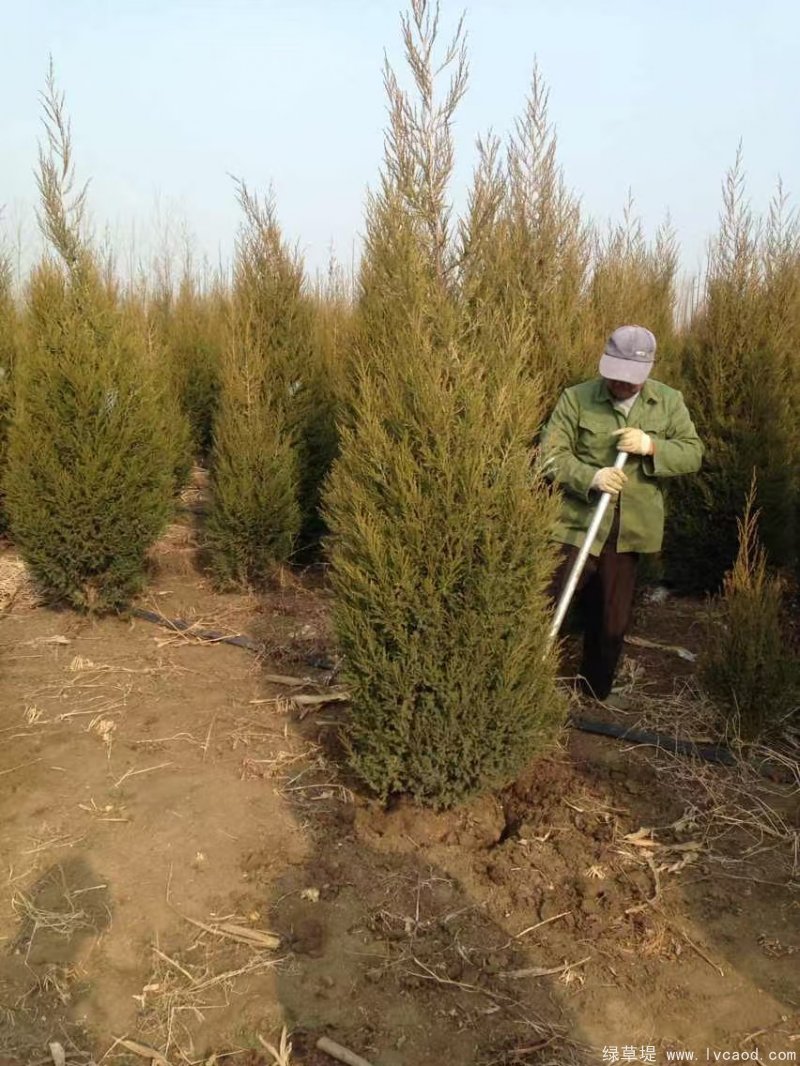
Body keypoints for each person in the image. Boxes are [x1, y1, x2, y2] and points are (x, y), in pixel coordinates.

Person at [541, 324, 703, 702]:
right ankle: (523, 679)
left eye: (631, 378)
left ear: (648, 370)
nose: (621, 384)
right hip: (575, 523)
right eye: (615, 374)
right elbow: (549, 455)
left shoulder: (668, 402)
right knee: (547, 602)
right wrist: (591, 476)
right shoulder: (577, 398)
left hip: (628, 529)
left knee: (612, 617)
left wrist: (652, 446)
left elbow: (693, 453)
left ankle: (595, 691)